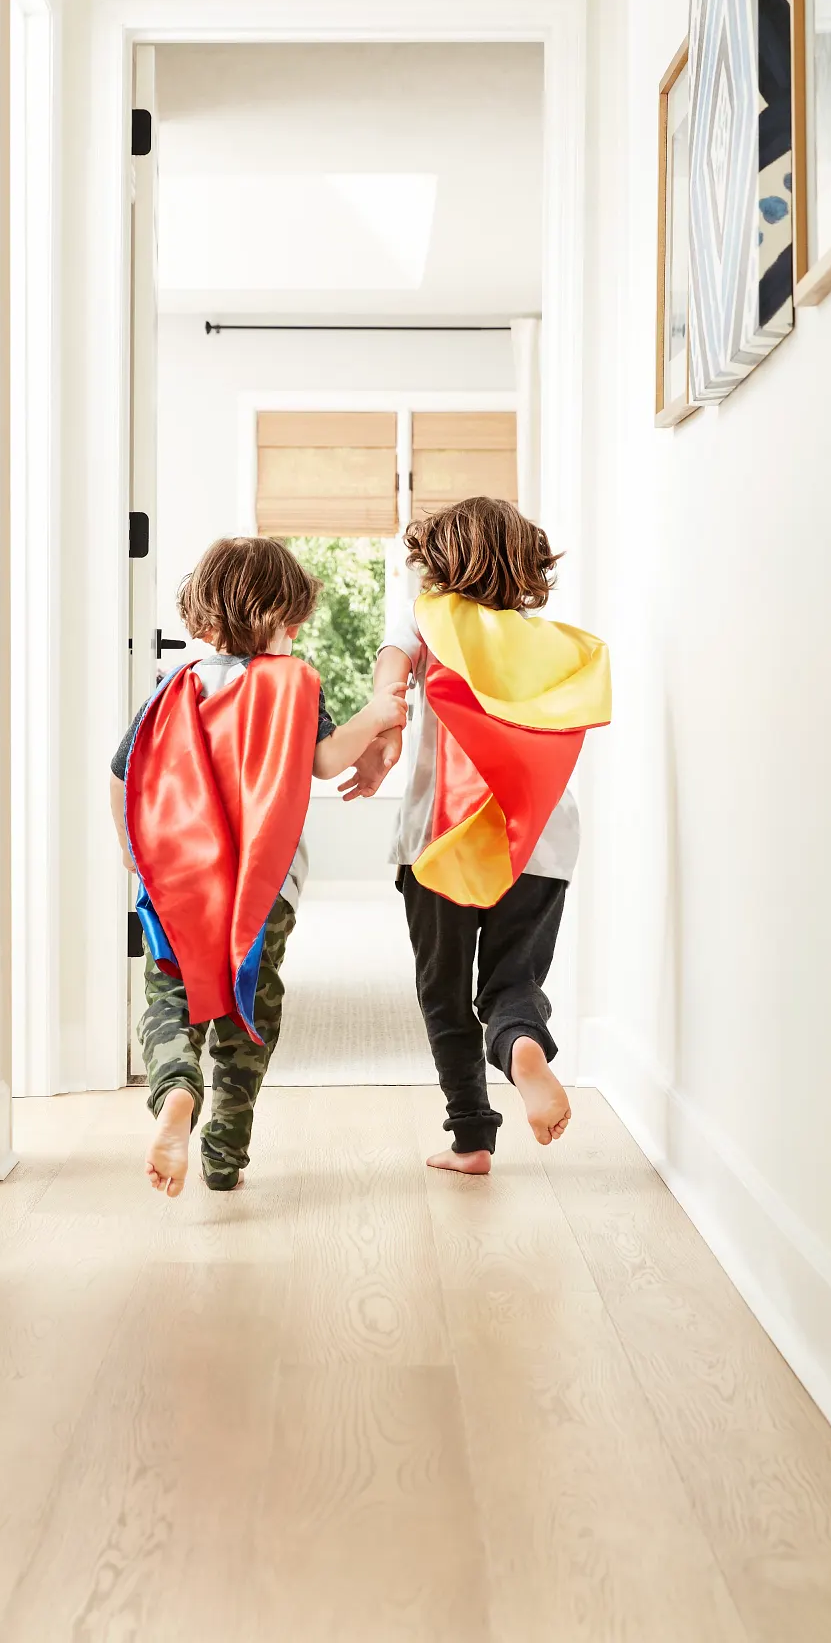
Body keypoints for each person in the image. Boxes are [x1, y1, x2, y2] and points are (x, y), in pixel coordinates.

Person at [110, 536, 406, 1198]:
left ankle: (176, 1092)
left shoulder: (174, 689)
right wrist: (378, 716)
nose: (298, 631)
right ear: (267, 618)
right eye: (291, 618)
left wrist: (133, 855)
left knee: (171, 999)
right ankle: (224, 1152)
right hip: (263, 892)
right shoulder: (294, 688)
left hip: (176, 883)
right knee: (250, 1009)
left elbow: (123, 776)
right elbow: (327, 762)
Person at [342, 497, 610, 1175]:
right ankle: (523, 1046)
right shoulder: (550, 645)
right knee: (513, 977)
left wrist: (384, 738)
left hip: (443, 842)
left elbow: (388, 686)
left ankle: (472, 1138)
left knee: (444, 990)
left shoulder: (427, 619)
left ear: (438, 562)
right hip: (543, 841)